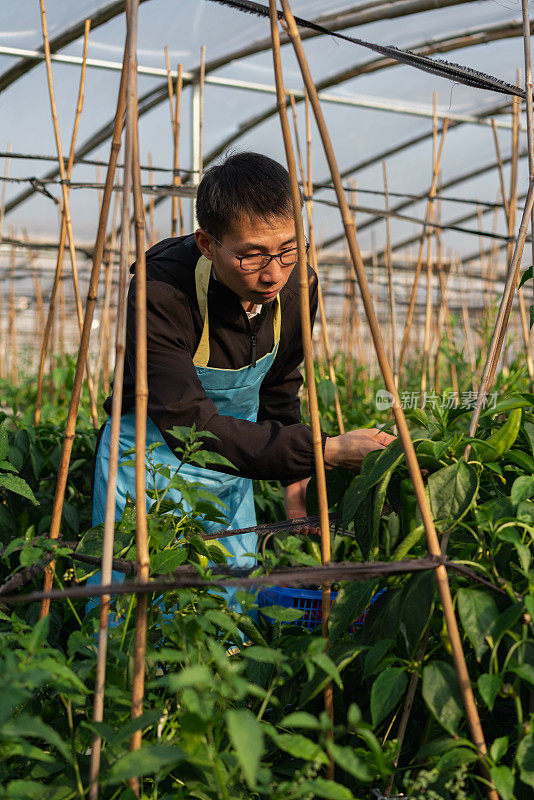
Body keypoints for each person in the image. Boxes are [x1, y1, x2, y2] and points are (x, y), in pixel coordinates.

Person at [91, 151, 394, 610]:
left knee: (227, 609)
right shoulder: (161, 292)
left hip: (238, 465)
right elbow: (190, 424)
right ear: (208, 244)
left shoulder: (297, 288)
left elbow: (278, 385)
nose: (273, 273)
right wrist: (325, 450)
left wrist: (296, 485)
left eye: (289, 249)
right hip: (148, 464)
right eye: (251, 256)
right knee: (137, 606)